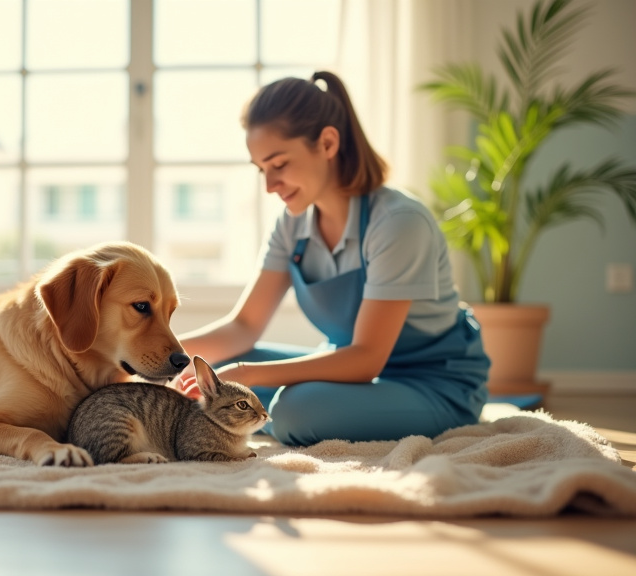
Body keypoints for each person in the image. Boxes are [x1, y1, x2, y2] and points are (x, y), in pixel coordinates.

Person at [171, 71, 490, 446]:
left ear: (327, 143)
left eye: (279, 164)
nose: (269, 186)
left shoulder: (399, 223)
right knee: (219, 371)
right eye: (261, 169)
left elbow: (367, 358)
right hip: (351, 372)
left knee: (294, 410)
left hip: (431, 383)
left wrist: (248, 373)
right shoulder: (292, 225)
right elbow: (243, 328)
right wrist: (144, 360)